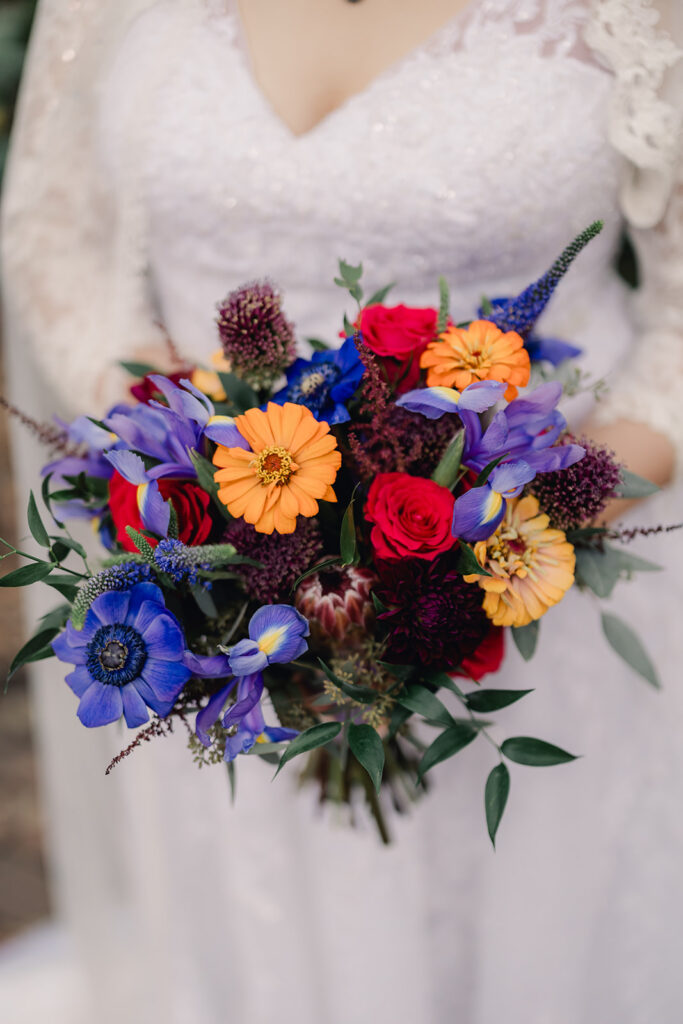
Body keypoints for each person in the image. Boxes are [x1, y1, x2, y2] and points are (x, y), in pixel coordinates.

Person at [2, 1, 683, 1021]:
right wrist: (181, 463)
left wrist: (501, 532)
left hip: (534, 595)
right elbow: (55, 240)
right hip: (220, 618)